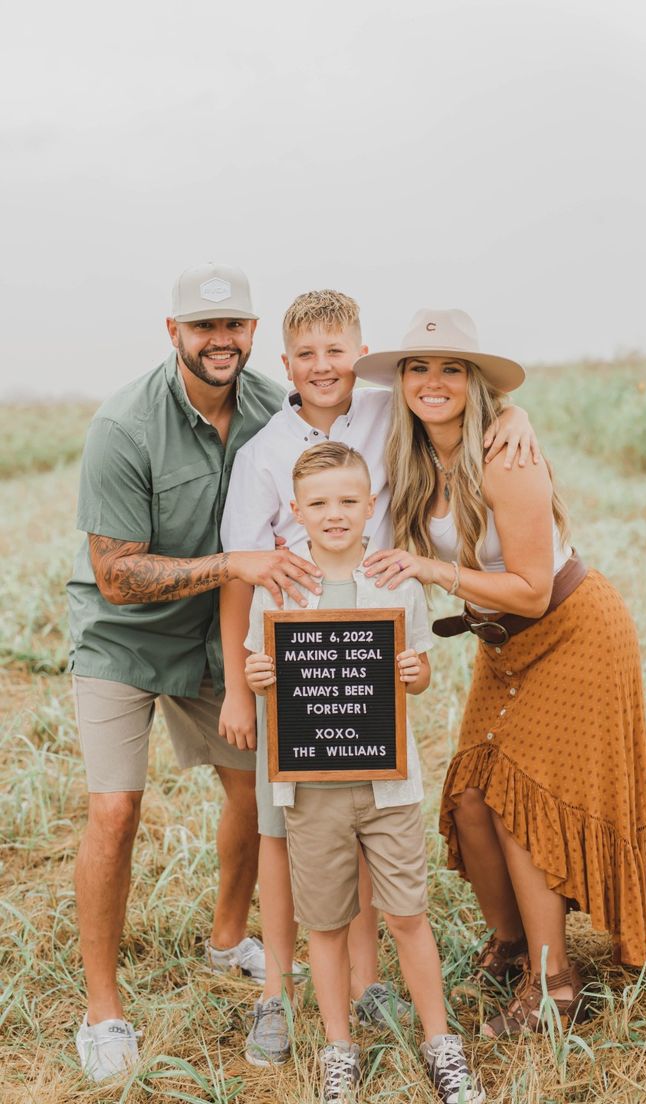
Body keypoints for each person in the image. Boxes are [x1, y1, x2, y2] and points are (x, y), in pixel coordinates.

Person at [218, 289, 536, 1065]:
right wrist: (238, 683)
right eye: (308, 355)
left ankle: (370, 988)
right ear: (285, 364)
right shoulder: (264, 451)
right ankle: (276, 994)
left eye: (338, 352)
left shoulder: (389, 413)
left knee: (361, 807)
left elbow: (454, 406)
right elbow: (240, 574)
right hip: (288, 649)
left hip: (370, 638)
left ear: (358, 354)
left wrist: (514, 417)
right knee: (283, 824)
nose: (325, 367)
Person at [355, 308, 646, 1037]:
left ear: (474, 382)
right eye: (418, 367)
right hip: (503, 646)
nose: (432, 381)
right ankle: (510, 947)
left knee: (520, 802)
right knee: (470, 798)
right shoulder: (410, 454)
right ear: (401, 380)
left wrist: (430, 567)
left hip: (571, 631)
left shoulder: (505, 456)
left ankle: (553, 983)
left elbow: (532, 587)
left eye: (451, 368)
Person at [67, 263, 323, 1081]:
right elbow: (117, 575)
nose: (222, 341)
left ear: (252, 333)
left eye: (236, 326)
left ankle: (226, 941)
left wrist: (510, 412)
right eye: (205, 327)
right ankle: (102, 1011)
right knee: (115, 811)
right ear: (173, 334)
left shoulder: (266, 406)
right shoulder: (124, 426)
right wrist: (233, 562)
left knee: (254, 792)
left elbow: (371, 412)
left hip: (220, 636)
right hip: (122, 638)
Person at [244, 441, 485, 1104]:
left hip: (387, 787)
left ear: (370, 505)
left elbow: (419, 671)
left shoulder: (396, 583)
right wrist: (259, 676)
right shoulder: (280, 588)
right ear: (296, 511)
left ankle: (441, 1044)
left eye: (349, 501)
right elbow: (257, 669)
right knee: (324, 924)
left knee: (407, 913)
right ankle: (338, 1050)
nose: (335, 513)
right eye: (320, 504)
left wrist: (418, 673)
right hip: (310, 790)